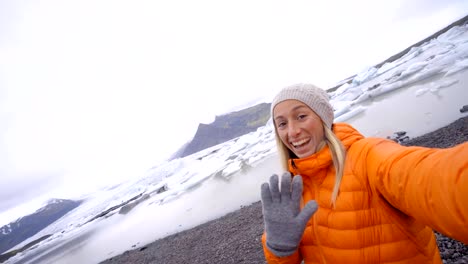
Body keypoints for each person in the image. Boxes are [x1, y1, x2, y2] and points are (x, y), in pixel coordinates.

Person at [260, 83, 468, 263]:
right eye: (282, 123)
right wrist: (280, 249)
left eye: (301, 116)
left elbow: (434, 177)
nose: (292, 131)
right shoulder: (292, 191)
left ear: (323, 118)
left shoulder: (368, 156)